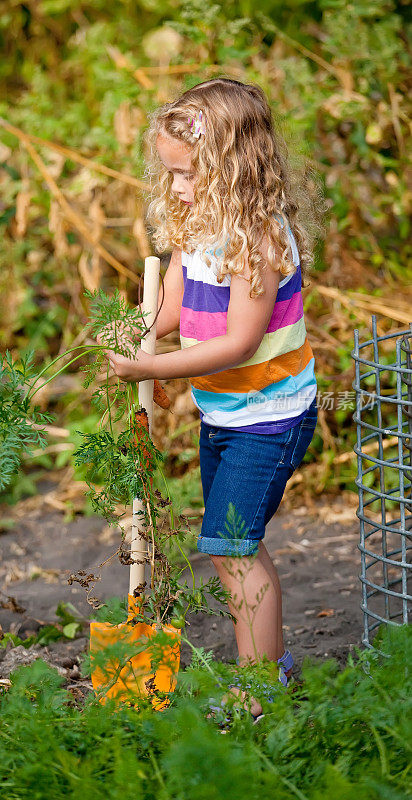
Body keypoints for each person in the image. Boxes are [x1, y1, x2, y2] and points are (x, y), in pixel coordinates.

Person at [103, 78, 318, 718]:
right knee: (235, 546)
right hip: (225, 414)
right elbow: (174, 299)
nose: (176, 188)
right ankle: (268, 669)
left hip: (268, 419)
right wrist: (145, 329)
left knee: (232, 549)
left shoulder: (257, 240)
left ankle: (258, 690)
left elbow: (237, 343)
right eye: (170, 174)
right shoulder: (196, 226)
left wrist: (153, 366)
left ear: (234, 168)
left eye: (190, 174)